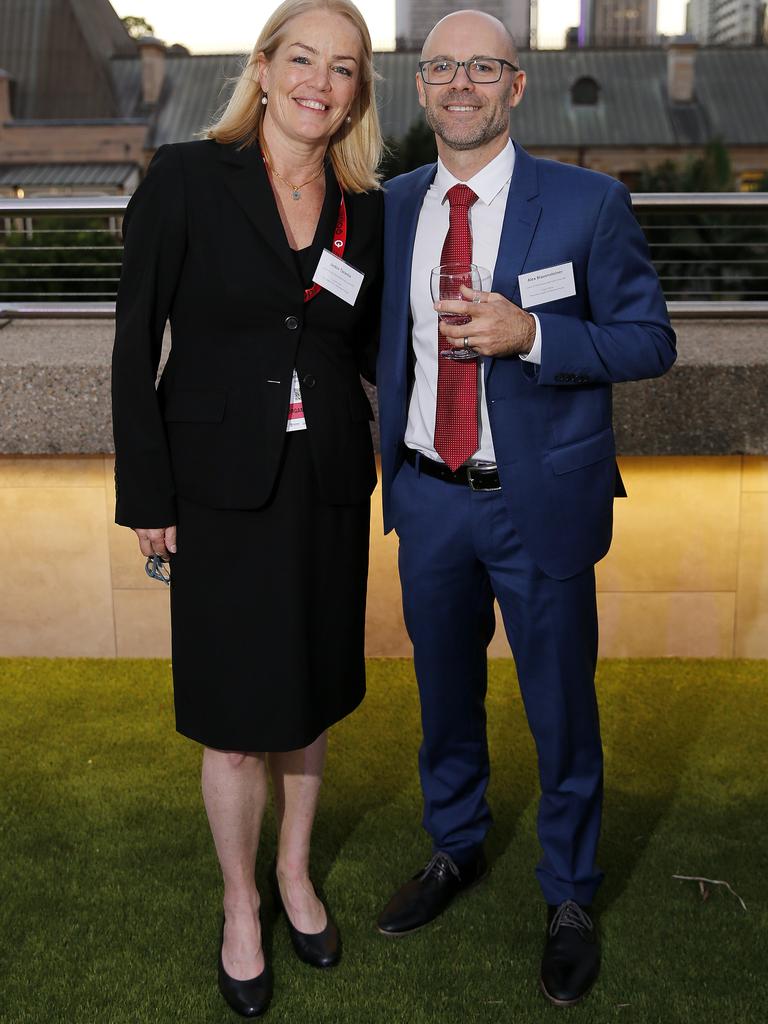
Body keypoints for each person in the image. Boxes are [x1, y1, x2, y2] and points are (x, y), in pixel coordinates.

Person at [375, 9, 676, 1008]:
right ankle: (455, 847)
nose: (461, 84)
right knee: (444, 698)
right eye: (441, 68)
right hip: (427, 496)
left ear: (515, 85)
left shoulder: (589, 204)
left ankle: (571, 895)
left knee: (560, 711)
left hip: (537, 501)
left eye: (482, 68)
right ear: (420, 87)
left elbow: (647, 342)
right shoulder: (393, 205)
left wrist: (532, 335)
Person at [111, 0, 383, 1016]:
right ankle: (240, 903)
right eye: (303, 58)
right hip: (219, 489)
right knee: (234, 721)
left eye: (344, 68)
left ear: (358, 91)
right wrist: (147, 493)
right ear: (264, 70)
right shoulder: (186, 178)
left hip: (325, 488)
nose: (321, 81)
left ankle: (296, 874)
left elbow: (358, 348)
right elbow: (133, 347)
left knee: (307, 699)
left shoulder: (369, 205)